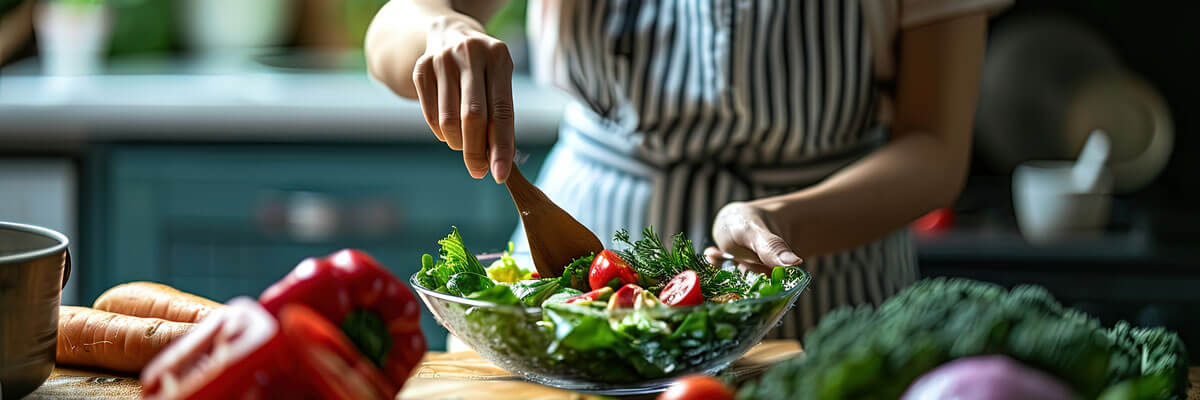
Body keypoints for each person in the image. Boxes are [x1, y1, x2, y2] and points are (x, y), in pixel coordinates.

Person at [366, 0, 1009, 337]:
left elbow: (934, 149)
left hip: (828, 287)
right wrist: (441, 28)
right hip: (581, 276)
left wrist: (779, 222)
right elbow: (388, 31)